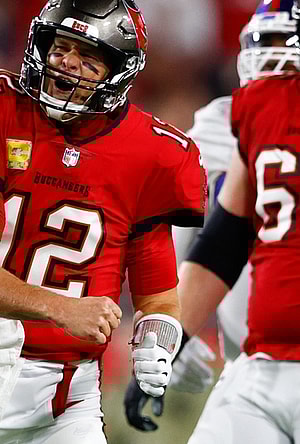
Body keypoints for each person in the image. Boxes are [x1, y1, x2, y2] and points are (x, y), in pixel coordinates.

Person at [0, 1, 207, 443]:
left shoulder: (157, 154)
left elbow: (159, 301)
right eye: (61, 48)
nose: (66, 65)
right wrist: (60, 307)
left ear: (119, 71)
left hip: (68, 393)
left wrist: (158, 344)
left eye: (89, 58)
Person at [124, 0, 300, 431]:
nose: (272, 60)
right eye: (266, 44)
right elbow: (222, 242)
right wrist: (167, 337)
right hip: (261, 362)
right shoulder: (255, 112)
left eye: (284, 45)